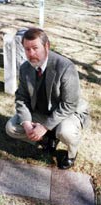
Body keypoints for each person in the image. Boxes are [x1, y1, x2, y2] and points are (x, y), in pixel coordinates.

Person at [5, 28, 89, 169]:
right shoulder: (25, 68)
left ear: (47, 46)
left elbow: (69, 104)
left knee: (65, 132)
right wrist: (26, 122)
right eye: (27, 49)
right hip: (41, 111)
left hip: (67, 113)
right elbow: (21, 98)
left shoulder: (65, 67)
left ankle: (71, 154)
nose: (31, 54)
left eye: (35, 48)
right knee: (11, 128)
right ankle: (48, 139)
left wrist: (44, 126)